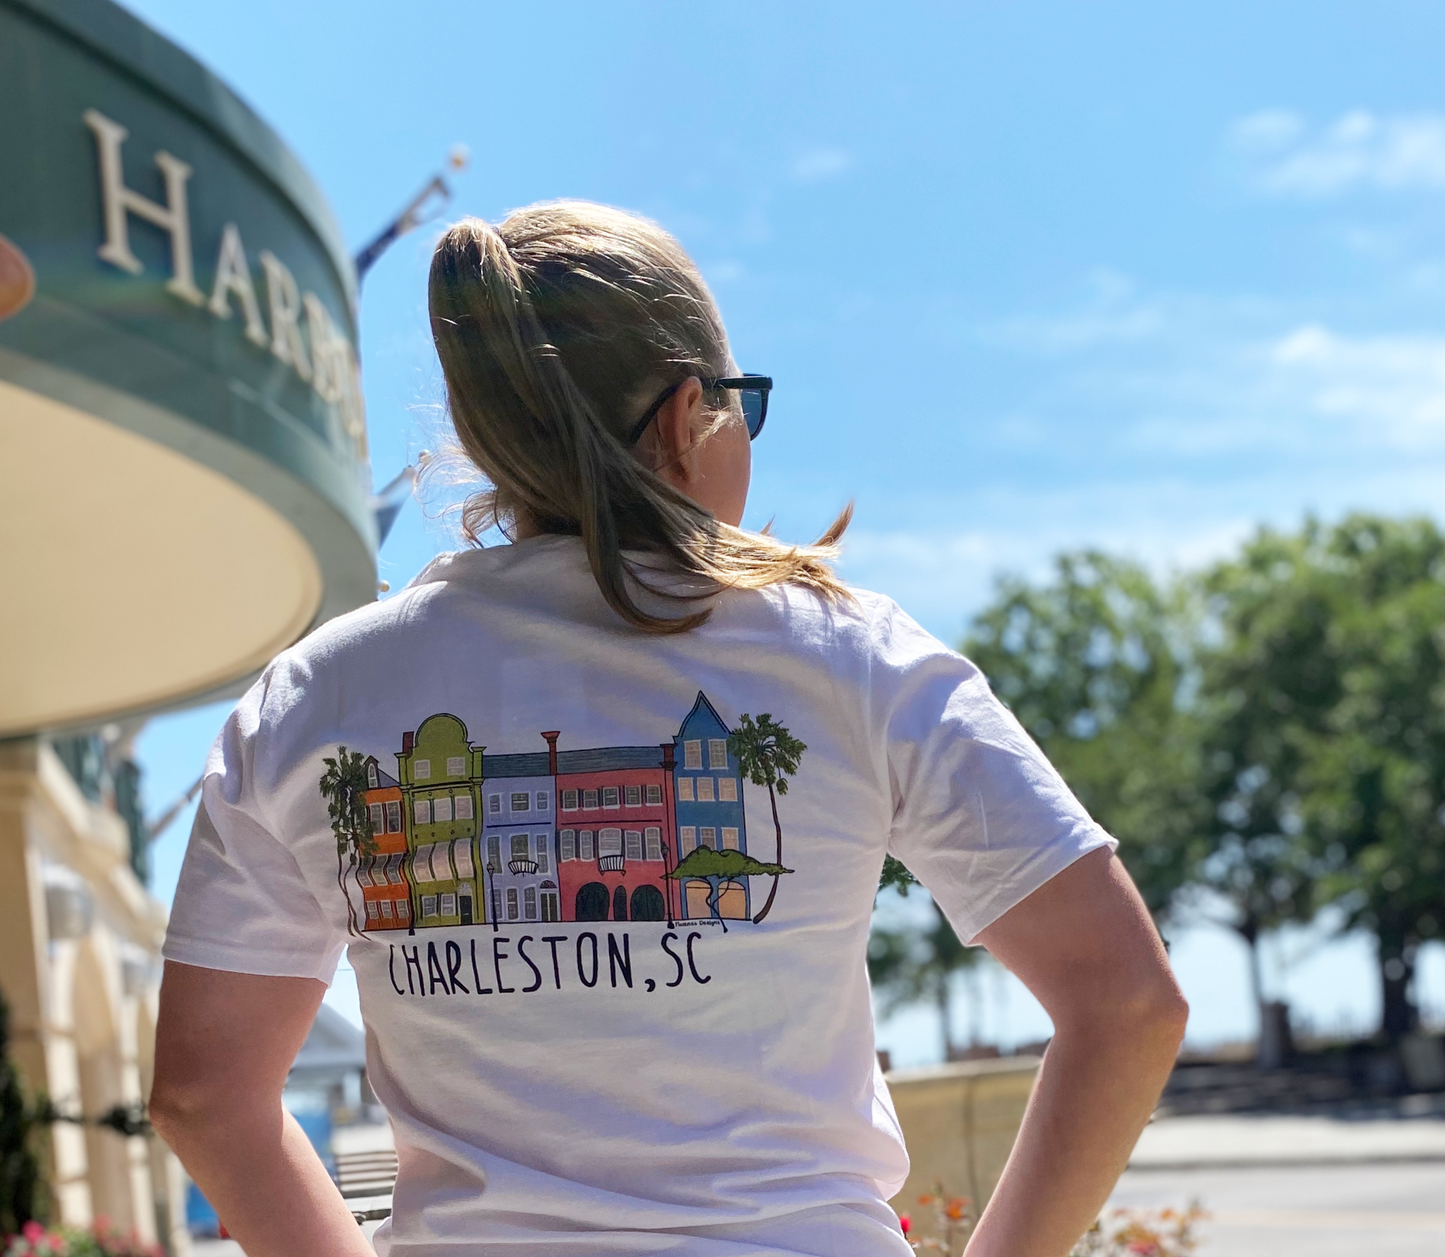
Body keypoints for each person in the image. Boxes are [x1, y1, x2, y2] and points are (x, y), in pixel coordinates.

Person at [152, 201, 1187, 1257]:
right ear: (689, 412)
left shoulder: (314, 700)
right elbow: (1127, 1005)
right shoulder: (854, 659)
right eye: (742, 404)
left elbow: (201, 1095)